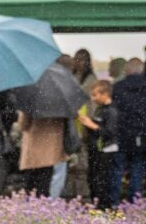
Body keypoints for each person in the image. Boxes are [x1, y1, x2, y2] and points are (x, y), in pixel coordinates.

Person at [78, 80, 119, 209]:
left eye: (95, 95)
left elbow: (110, 132)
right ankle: (96, 203)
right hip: (96, 149)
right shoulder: (100, 109)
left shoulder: (112, 111)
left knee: (102, 180)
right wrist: (87, 122)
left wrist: (92, 125)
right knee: (92, 178)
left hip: (106, 150)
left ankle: (103, 206)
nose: (93, 98)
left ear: (105, 94)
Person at [111, 57, 146, 202]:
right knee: (137, 168)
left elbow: (113, 111)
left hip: (121, 133)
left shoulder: (118, 87)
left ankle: (113, 201)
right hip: (141, 134)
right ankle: (134, 203)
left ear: (127, 70)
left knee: (116, 169)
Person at [17, 111, 65, 197]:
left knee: (30, 187)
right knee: (44, 186)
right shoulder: (60, 102)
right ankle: (45, 207)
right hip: (51, 150)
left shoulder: (30, 101)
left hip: (33, 150)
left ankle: (31, 208)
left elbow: (23, 125)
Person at [71, 49, 98, 199]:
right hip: (72, 123)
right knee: (72, 161)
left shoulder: (91, 80)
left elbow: (93, 104)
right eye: (77, 59)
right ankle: (72, 192)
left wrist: (90, 123)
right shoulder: (72, 77)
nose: (79, 63)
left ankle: (82, 193)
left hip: (85, 123)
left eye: (82, 60)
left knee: (82, 163)